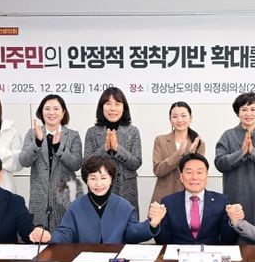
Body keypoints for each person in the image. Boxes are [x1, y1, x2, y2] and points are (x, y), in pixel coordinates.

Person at [30, 156, 162, 244]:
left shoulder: (124, 206)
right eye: (93, 178)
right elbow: (65, 233)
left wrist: (151, 224)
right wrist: (49, 236)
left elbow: (132, 233)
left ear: (111, 180)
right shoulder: (76, 206)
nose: (98, 184)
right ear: (86, 180)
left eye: (103, 178)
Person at [214, 92, 255, 241]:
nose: (248, 113)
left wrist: (254, 152)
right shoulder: (228, 136)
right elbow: (219, 163)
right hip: (235, 197)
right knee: (232, 238)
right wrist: (242, 152)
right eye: (244, 109)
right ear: (238, 112)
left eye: (252, 109)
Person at [19, 94, 83, 231]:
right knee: (39, 239)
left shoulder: (73, 135)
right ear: (41, 112)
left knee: (65, 238)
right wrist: (37, 142)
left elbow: (76, 164)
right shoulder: (32, 133)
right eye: (47, 108)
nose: (51, 112)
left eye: (56, 108)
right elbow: (24, 161)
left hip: (64, 200)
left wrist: (59, 148)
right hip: (39, 199)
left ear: (63, 112)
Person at [156, 153, 238, 245]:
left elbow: (229, 240)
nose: (194, 177)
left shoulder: (221, 201)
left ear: (206, 176)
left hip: (210, 252)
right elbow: (162, 241)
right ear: (181, 177)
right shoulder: (168, 202)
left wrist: (234, 222)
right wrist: (156, 223)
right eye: (189, 172)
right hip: (178, 252)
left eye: (199, 172)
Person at [84, 87, 142, 213]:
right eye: (108, 104)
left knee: (127, 223)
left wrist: (117, 149)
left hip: (126, 191)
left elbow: (136, 163)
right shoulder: (92, 132)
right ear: (102, 107)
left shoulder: (133, 131)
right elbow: (86, 165)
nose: (113, 108)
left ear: (123, 108)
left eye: (117, 104)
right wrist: (104, 149)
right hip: (99, 190)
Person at [151, 101, 205, 204]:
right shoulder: (160, 140)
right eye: (175, 116)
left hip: (188, 197)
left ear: (190, 118)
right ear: (170, 120)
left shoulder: (198, 143)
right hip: (164, 196)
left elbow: (198, 173)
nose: (179, 120)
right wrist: (178, 154)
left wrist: (191, 155)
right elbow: (158, 171)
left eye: (183, 116)